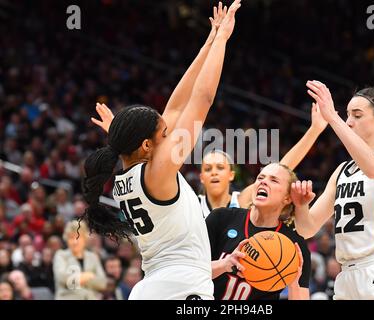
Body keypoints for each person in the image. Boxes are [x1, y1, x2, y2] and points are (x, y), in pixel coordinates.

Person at [82, 1, 242, 300]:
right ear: (146, 145)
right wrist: (222, 40)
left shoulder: (127, 176)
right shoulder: (158, 172)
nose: (171, 135)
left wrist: (209, 40)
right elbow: (202, 99)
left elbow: (177, 106)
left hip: (160, 284)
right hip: (179, 289)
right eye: (165, 134)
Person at [294, 80, 374, 299]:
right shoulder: (342, 170)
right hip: (345, 277)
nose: (349, 122)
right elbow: (307, 229)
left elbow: (373, 168)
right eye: (347, 115)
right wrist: (301, 206)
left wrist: (332, 117)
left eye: (357, 115)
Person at [199, 104, 328, 218]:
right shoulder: (193, 204)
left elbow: (282, 167)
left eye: (220, 167)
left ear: (231, 175)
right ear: (201, 177)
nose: (214, 173)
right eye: (208, 169)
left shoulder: (241, 201)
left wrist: (314, 130)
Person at [206, 163, 311, 300]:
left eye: (273, 180)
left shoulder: (294, 246)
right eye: (260, 178)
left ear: (287, 198)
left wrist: (293, 284)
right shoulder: (221, 218)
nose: (263, 182)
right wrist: (224, 264)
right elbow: (187, 270)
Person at [53, 221, 107, 300]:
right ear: (66, 239)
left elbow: (102, 283)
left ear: (85, 239)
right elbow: (63, 278)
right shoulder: (61, 255)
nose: (75, 242)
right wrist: (88, 275)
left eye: (78, 237)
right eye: (71, 238)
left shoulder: (92, 257)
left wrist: (76, 279)